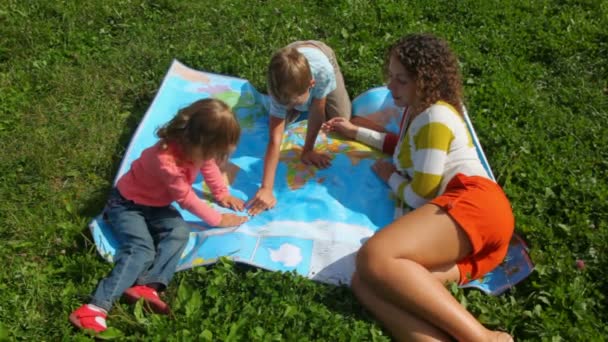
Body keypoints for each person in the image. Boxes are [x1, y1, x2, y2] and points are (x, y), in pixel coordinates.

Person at [323, 34, 515, 341]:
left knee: (374, 256)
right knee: (364, 282)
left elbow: (420, 194)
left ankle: (483, 338)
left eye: (400, 80)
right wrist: (354, 131)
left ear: (425, 82)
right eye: (390, 76)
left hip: (476, 203)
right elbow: (400, 148)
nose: (390, 86)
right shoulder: (417, 112)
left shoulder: (435, 117)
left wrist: (392, 178)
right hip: (475, 228)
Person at [69, 98, 248, 333]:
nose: (213, 158)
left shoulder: (196, 150)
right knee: (141, 249)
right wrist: (219, 219)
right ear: (197, 142)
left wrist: (222, 193)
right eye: (212, 152)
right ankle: (94, 308)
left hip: (156, 204)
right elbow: (186, 199)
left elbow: (209, 166)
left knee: (179, 231)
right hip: (126, 204)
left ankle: (146, 286)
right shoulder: (167, 162)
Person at [247, 40, 351, 215]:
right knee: (278, 120)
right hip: (289, 63)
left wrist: (308, 150)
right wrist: (266, 188)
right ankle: (296, 103)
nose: (287, 105)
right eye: (284, 103)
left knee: (341, 117)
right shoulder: (278, 85)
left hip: (320, 54)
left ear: (311, 85)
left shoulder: (322, 74)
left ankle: (303, 102)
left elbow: (317, 112)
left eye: (292, 102)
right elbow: (275, 139)